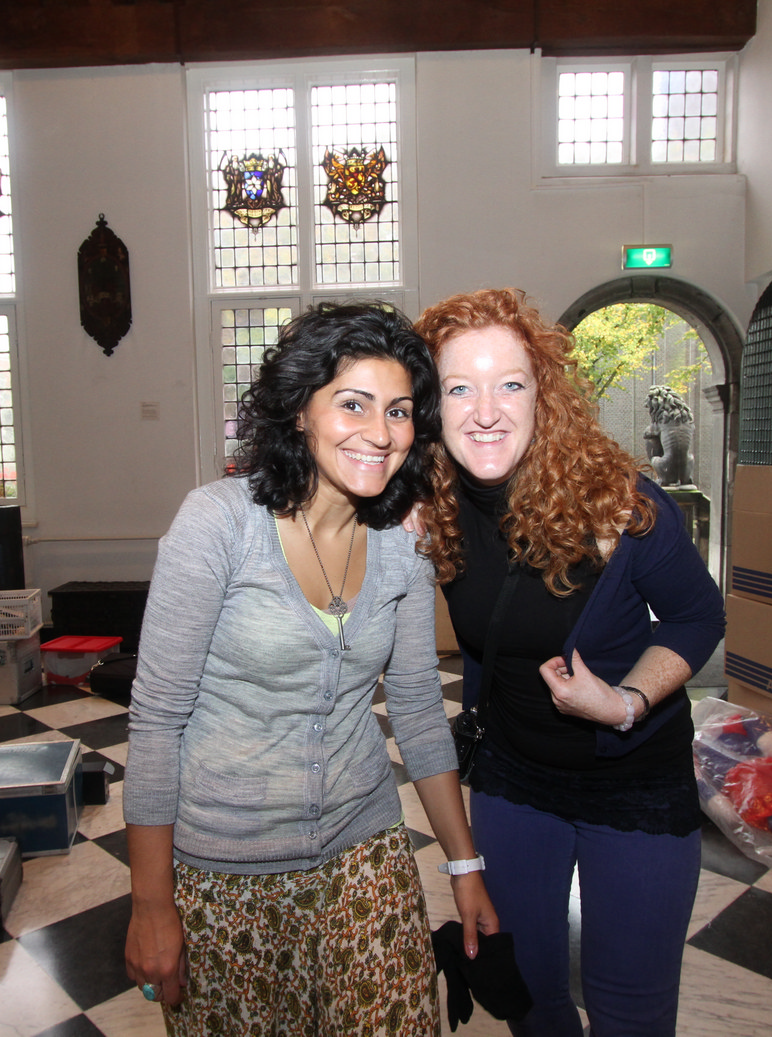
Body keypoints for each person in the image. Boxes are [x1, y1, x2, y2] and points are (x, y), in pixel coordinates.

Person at [123, 302, 499, 1035]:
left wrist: (464, 864)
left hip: (366, 852)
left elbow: (419, 708)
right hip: (224, 872)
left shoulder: (401, 542)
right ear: (300, 411)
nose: (380, 432)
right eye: (352, 403)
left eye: (398, 411)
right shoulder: (218, 524)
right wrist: (151, 903)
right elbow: (157, 721)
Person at [412, 288, 725, 1036]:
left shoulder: (618, 507)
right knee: (527, 994)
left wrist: (625, 701)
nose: (486, 411)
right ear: (428, 406)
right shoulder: (429, 508)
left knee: (630, 1009)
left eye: (509, 384)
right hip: (514, 780)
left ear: (543, 396)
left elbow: (698, 615)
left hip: (636, 783)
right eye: (459, 388)